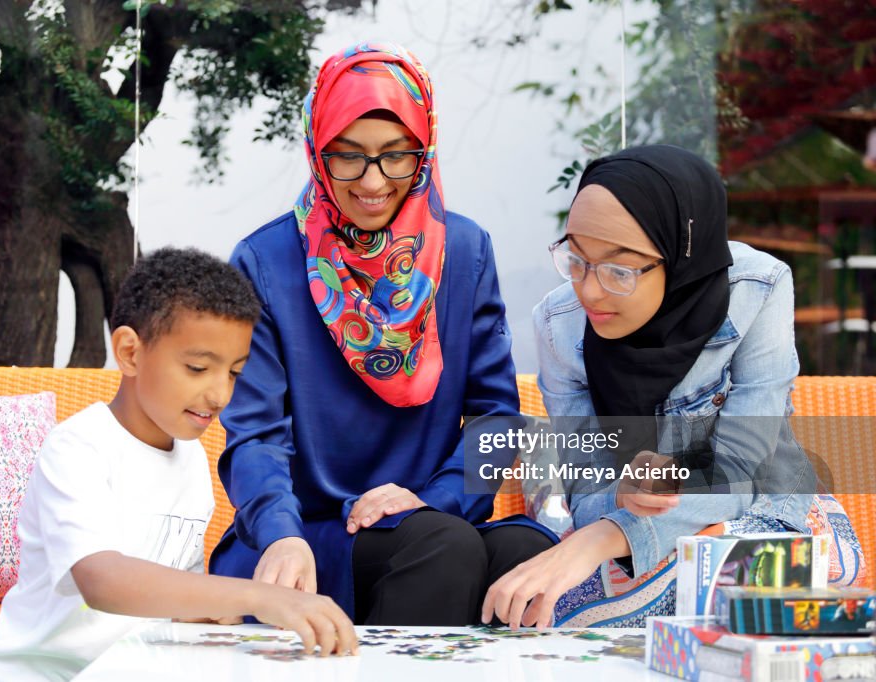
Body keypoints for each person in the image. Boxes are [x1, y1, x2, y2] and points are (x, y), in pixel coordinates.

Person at [210, 43, 556, 625]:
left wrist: (437, 498)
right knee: (443, 547)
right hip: (313, 532)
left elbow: (496, 417)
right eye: (348, 157)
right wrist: (278, 532)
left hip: (431, 517)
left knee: (524, 556)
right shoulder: (266, 261)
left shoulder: (464, 252)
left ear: (424, 153)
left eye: (397, 156)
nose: (373, 181)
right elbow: (254, 434)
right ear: (317, 151)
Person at [0, 248, 357, 681]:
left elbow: (173, 600)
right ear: (131, 353)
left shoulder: (189, 456)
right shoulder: (78, 447)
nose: (220, 395)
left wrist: (208, 615)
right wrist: (257, 597)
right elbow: (102, 580)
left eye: (234, 373)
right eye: (197, 367)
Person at [482, 144, 816, 629]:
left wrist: (603, 537)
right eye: (576, 260)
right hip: (626, 531)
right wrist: (621, 497)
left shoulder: (758, 290)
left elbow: (743, 468)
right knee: (551, 610)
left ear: (680, 258)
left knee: (741, 591)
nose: (590, 290)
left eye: (620, 270)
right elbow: (585, 483)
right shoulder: (560, 325)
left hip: (762, 513)